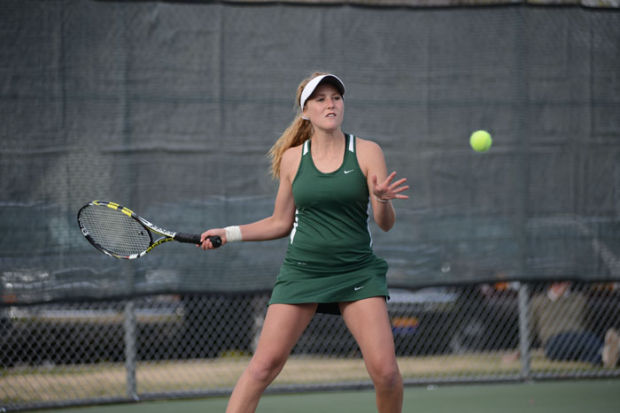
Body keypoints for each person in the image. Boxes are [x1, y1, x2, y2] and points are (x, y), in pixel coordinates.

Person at [199, 72, 409, 413]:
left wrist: (382, 200)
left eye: (336, 97)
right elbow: (280, 222)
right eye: (321, 98)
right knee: (263, 366)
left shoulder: (368, 151)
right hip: (302, 273)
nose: (331, 103)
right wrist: (228, 232)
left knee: (386, 373)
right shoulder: (293, 159)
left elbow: (384, 224)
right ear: (305, 112)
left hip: (357, 274)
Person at [528, 281, 619, 367]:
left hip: (580, 337)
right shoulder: (538, 301)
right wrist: (521, 350)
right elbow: (529, 329)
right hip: (554, 341)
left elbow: (587, 323)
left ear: (569, 282)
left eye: (562, 281)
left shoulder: (579, 299)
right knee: (586, 339)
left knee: (588, 352)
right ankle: (605, 349)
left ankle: (606, 357)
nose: (559, 284)